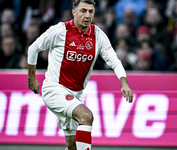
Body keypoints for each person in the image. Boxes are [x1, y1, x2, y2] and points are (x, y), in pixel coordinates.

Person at [27, 0, 133, 150]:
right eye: (83, 11)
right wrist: (31, 78)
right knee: (86, 116)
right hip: (54, 89)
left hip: (76, 94)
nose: (87, 15)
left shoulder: (98, 35)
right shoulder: (59, 30)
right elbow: (33, 49)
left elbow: (114, 61)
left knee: (72, 146)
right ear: (74, 12)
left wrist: (124, 83)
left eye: (91, 11)